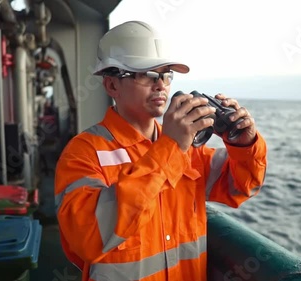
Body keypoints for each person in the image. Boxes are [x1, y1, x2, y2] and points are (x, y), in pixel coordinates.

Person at [54, 20, 267, 281]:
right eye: (147, 75)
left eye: (166, 75)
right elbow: (88, 239)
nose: (161, 85)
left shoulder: (187, 150)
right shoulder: (83, 152)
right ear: (111, 85)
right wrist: (171, 147)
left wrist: (244, 144)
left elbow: (242, 187)